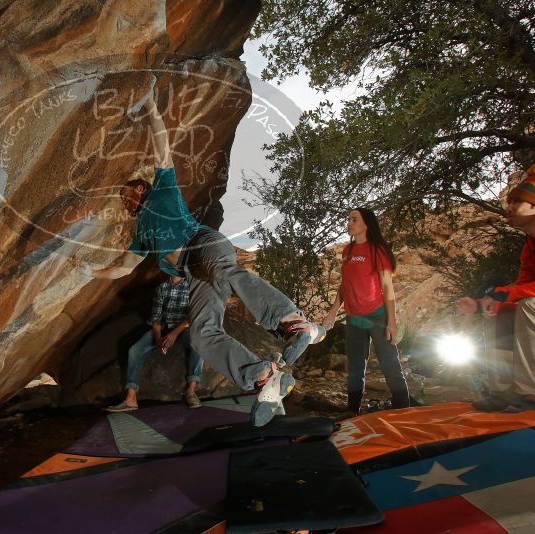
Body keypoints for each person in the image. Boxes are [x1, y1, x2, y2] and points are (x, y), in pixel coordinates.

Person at [84, 75, 325, 426]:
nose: (128, 195)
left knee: (227, 272)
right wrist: (89, 272)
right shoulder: (141, 235)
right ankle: (261, 377)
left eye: (132, 189)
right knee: (201, 334)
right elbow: (123, 267)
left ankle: (291, 321)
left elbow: (161, 143)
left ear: (143, 186)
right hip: (193, 274)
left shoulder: (163, 186)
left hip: (205, 245)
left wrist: (150, 103)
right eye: (124, 197)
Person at [455, 163, 535, 411]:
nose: (508, 208)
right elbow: (525, 287)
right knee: (498, 314)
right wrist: (486, 304)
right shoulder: (531, 245)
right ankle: (505, 390)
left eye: (516, 202)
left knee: (531, 307)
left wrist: (506, 293)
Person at [322, 208, 411, 414]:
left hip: (377, 315)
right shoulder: (347, 251)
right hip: (354, 318)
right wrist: (333, 311)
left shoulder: (376, 250)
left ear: (366, 224)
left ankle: (404, 409)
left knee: (389, 364)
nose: (349, 223)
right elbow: (345, 285)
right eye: (348, 219)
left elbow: (387, 288)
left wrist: (392, 322)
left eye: (354, 219)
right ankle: (352, 410)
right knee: (355, 368)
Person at [106, 275, 204, 412]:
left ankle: (191, 391)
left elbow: (194, 316)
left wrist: (174, 334)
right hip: (163, 327)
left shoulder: (192, 286)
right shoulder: (162, 287)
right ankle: (131, 399)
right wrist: (158, 338)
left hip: (183, 328)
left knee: (200, 344)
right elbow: (156, 317)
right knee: (134, 350)